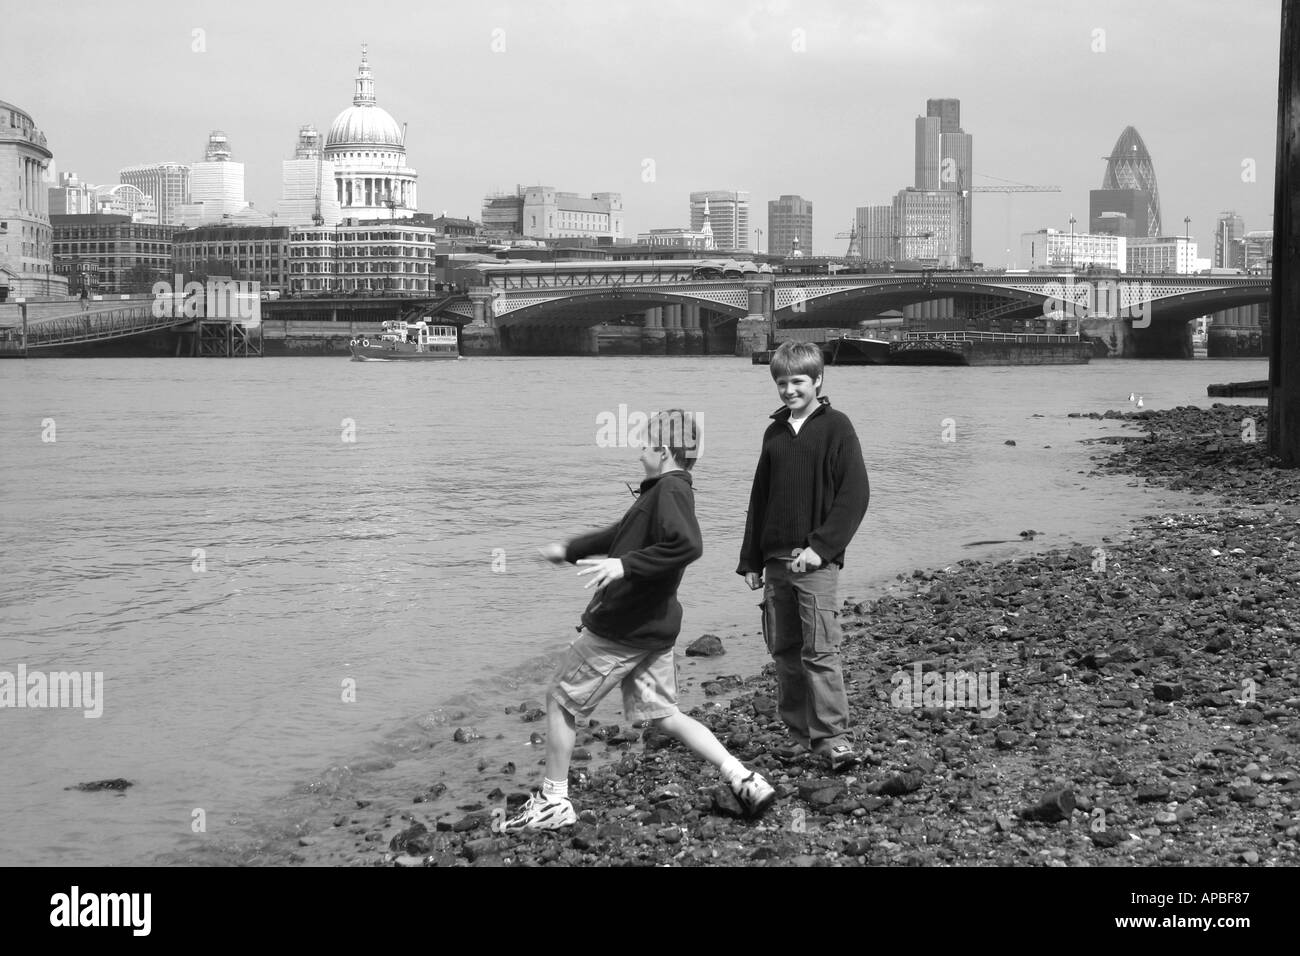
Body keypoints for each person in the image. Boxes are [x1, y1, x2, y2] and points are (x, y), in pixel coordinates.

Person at [504, 409, 776, 831]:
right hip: (653, 630)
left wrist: (625, 567)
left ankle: (553, 801)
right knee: (665, 716)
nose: (638, 453)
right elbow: (620, 533)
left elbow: (687, 545)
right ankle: (742, 778)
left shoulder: (669, 491)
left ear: (664, 451)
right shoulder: (663, 491)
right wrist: (570, 549)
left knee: (560, 700)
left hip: (622, 630)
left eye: (644, 445)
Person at [737, 341, 869, 772]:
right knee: (785, 652)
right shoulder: (773, 432)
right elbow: (759, 499)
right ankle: (798, 735)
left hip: (815, 562)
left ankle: (833, 738)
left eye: (797, 381)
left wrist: (821, 548)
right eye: (781, 382)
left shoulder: (837, 428)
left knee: (819, 651)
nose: (789, 390)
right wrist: (751, 560)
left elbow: (854, 497)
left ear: (817, 381)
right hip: (775, 562)